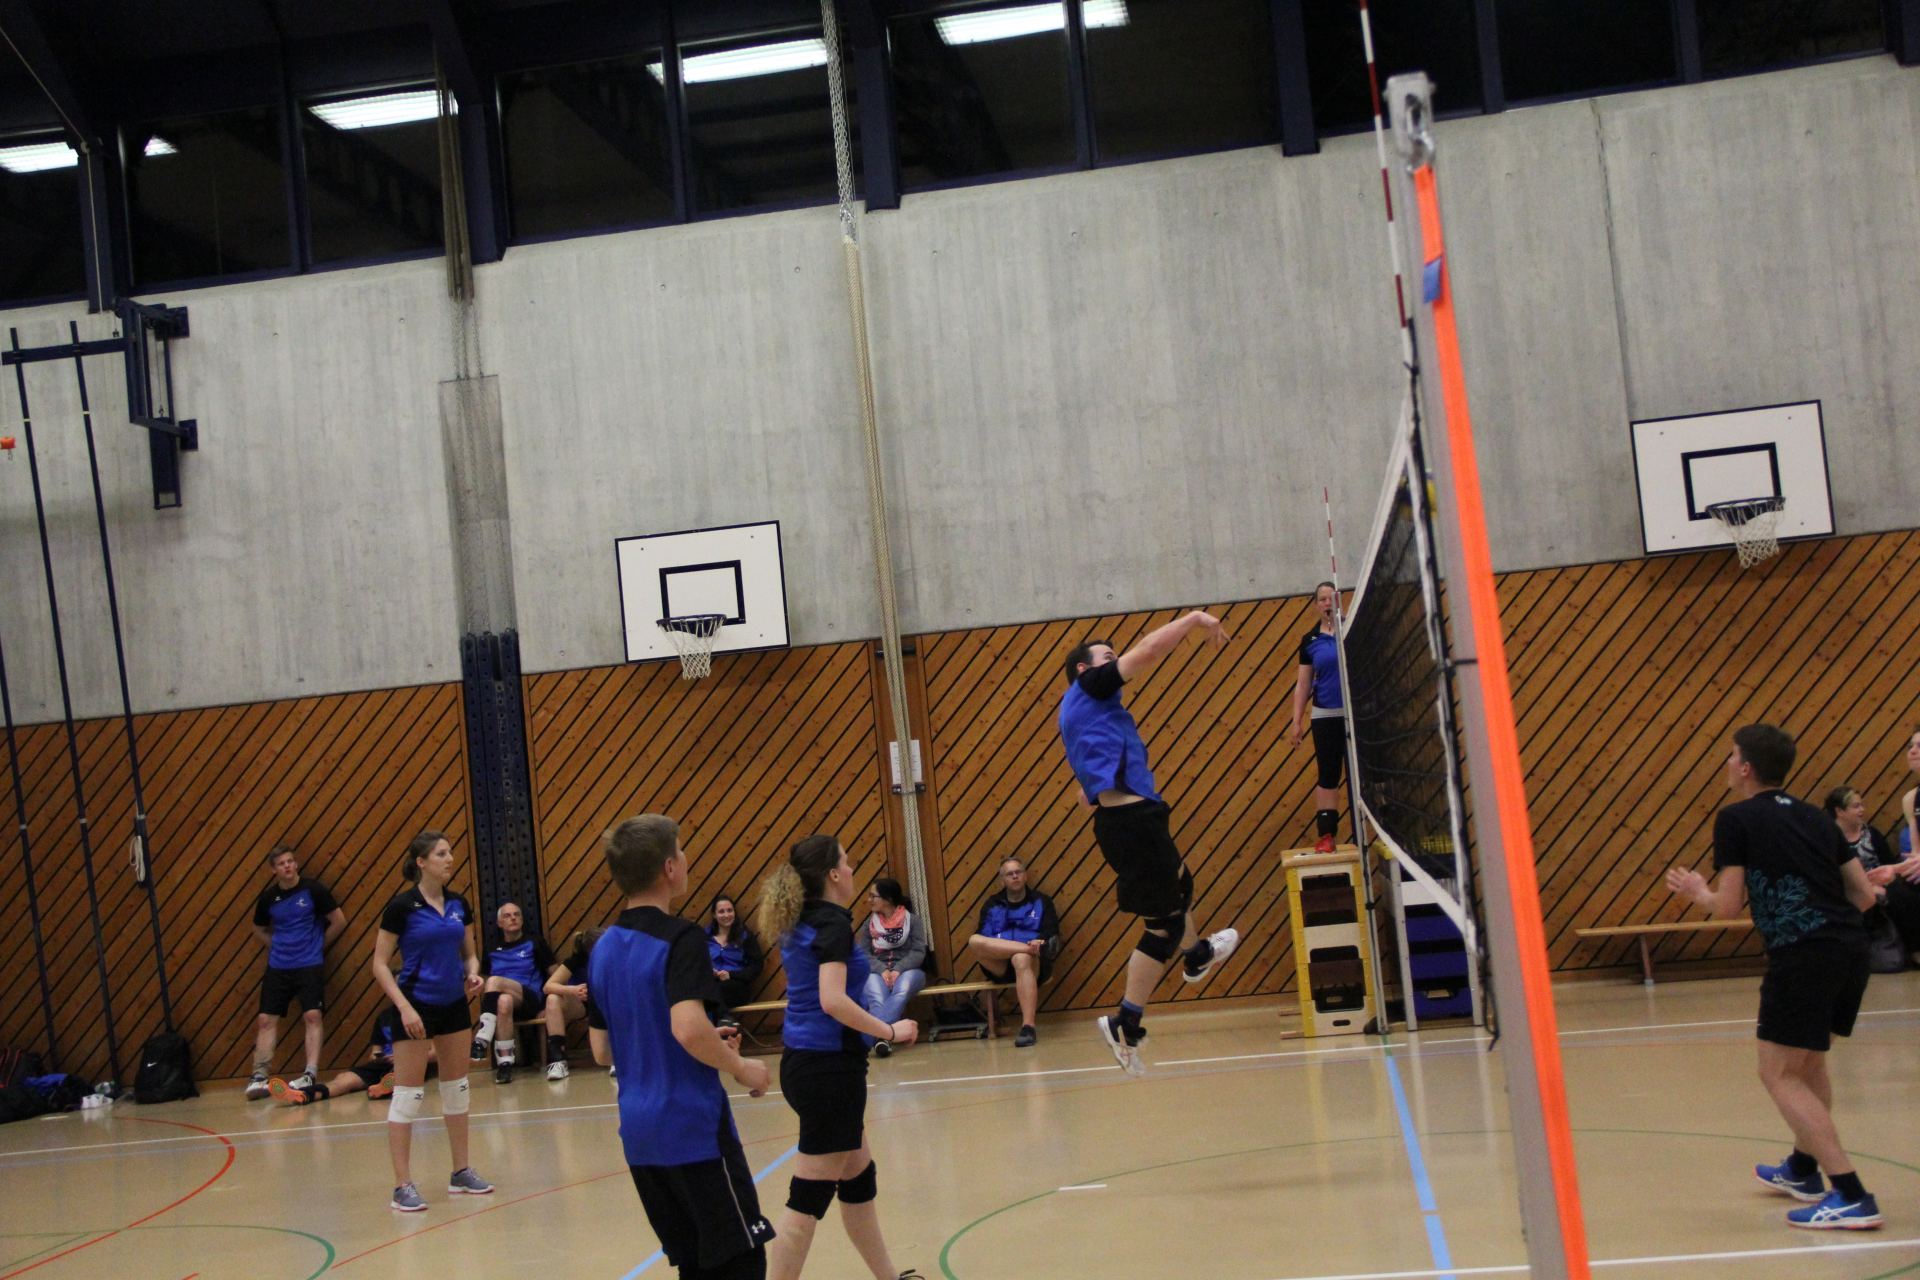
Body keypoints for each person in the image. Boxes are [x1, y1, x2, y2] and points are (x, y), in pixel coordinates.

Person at [1664, 723, 1879, 1229]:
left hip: (1803, 956)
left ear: (1745, 768)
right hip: (1851, 949)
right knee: (1808, 1065)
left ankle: (1851, 1195)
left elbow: (1728, 905)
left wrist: (1698, 893)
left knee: (1778, 1073)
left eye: (1731, 755)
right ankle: (1803, 1169)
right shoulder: (1816, 817)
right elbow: (1865, 896)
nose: (1727, 763)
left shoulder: (1735, 819)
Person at [588, 815, 774, 1280]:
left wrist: (707, 1041)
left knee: (694, 1263)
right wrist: (740, 1066)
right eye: (682, 851)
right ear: (670, 868)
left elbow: (603, 1050)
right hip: (692, 1129)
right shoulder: (682, 937)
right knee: (741, 1258)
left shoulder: (603, 948)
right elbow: (688, 1029)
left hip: (640, 1136)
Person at [1058, 613, 1242, 1077]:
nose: (1115, 660)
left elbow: (1085, 789)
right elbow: (1148, 651)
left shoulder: (1088, 711)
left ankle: (1196, 957)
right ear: (1085, 669)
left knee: (1180, 885)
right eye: (1107, 656)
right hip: (1131, 822)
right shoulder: (1091, 687)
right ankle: (1126, 1023)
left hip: (1130, 820)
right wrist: (1194, 619)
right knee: (1163, 926)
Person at [758, 835, 920, 1280]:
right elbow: (832, 1001)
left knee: (858, 1179)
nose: (851, 870)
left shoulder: (801, 918)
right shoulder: (830, 924)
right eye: (846, 863)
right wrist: (889, 1030)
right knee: (807, 1200)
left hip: (808, 1064)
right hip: (828, 1071)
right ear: (832, 874)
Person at [370, 830, 491, 1212]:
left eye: (449, 852)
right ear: (421, 862)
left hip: (453, 1004)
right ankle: (401, 1185)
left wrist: (473, 973)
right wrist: (404, 1008)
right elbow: (379, 964)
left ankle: (461, 1171)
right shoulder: (401, 907)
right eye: (441, 853)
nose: (449, 858)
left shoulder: (458, 904)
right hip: (415, 1005)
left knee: (457, 1089)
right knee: (408, 1096)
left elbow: (470, 954)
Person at [244, 844, 346, 1099]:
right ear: (273, 870)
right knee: (265, 1019)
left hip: (309, 964)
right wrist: (277, 946)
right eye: (281, 863)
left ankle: (310, 1073)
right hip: (279, 966)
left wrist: (317, 945)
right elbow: (258, 929)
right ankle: (259, 1077)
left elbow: (338, 920)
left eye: (290, 861)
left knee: (312, 1015)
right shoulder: (269, 898)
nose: (287, 866)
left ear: (296, 864)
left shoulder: (313, 890)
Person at [471, 901, 576, 1083]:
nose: (513, 918)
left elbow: (555, 974)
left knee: (495, 981)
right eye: (507, 916)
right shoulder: (491, 948)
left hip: (530, 998)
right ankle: (505, 1065)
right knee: (503, 1001)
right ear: (499, 923)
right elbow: (486, 981)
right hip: (506, 1004)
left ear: (522, 919)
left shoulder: (534, 942)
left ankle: (482, 1037)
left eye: (516, 914)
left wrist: (547, 1004)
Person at [963, 859, 1059, 1048]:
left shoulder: (1042, 901)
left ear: (1025, 876)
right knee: (974, 940)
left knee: (1020, 958)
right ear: (1002, 880)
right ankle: (1024, 948)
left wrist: (1040, 942)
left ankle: (1028, 1027)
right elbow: (984, 938)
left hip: (1033, 964)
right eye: (1009, 874)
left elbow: (1052, 936)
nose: (1015, 876)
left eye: (1018, 872)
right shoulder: (992, 905)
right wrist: (1024, 946)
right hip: (999, 965)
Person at [1287, 582, 1348, 854]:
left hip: (1354, 714)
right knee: (1328, 773)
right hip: (1325, 716)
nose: (1326, 603)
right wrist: (1296, 721)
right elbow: (1303, 684)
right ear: (1316, 605)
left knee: (1367, 772)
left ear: (1339, 601)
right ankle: (1327, 834)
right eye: (1322, 599)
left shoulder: (1351, 628)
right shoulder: (1310, 641)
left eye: (1331, 598)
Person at [269, 1008, 418, 1106]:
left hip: (411, 1062)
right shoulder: (384, 1016)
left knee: (400, 1072)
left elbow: (430, 1053)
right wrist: (377, 1057)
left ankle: (387, 1086)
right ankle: (304, 1094)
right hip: (383, 1063)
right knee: (343, 1079)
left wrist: (404, 1058)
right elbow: (374, 1052)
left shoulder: (420, 1014)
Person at [856, 878, 930, 1056]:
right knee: (876, 996)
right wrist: (881, 970)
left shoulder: (912, 921)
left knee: (901, 990)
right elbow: (863, 953)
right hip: (877, 971)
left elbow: (919, 951)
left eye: (873, 896)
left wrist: (898, 969)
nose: (869, 900)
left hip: (909, 971)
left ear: (888, 899)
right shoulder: (869, 924)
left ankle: (873, 1035)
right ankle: (883, 1040)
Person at [546, 926, 613, 1074]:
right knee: (552, 999)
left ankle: (617, 1057)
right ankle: (558, 1059)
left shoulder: (615, 957)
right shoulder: (577, 960)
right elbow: (548, 986)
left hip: (606, 1002)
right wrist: (572, 990)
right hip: (582, 1003)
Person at [706, 895, 766, 1015]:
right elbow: (697, 963)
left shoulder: (745, 936)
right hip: (712, 983)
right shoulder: (705, 937)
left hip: (737, 986)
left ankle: (723, 1022)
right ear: (714, 915)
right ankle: (725, 1022)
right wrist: (710, 972)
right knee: (706, 991)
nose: (726, 915)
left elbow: (756, 966)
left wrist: (731, 975)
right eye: (721, 911)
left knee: (718, 991)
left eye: (730, 910)